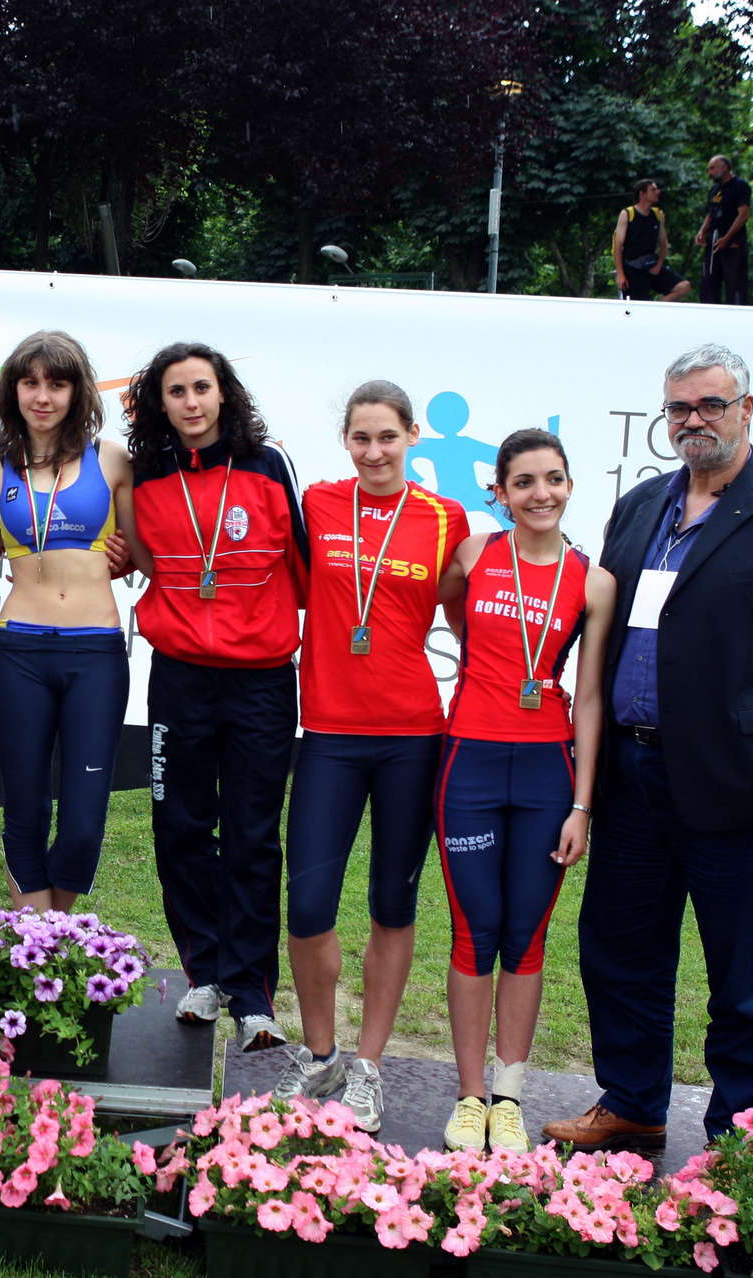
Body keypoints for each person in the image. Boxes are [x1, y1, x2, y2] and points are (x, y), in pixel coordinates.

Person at [543, 343, 753, 1151]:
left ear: (747, 409)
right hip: (632, 775)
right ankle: (632, 1104)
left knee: (745, 975)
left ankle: (737, 1139)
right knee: (620, 952)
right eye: (680, 407)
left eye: (711, 405)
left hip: (742, 784)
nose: (695, 420)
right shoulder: (640, 507)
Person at [279, 381, 467, 1127]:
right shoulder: (319, 504)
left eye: (388, 436)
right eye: (361, 437)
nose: (375, 451)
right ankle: (321, 1055)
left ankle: (368, 1066)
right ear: (346, 441)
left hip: (412, 735)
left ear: (412, 436)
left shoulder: (445, 518)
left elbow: (471, 614)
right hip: (329, 732)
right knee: (307, 907)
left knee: (393, 902)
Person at [432, 429, 616, 1154]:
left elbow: (591, 697)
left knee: (526, 936)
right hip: (470, 763)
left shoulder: (592, 581)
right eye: (525, 482)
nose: (542, 494)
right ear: (500, 493)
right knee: (473, 932)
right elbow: (453, 612)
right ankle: (469, 1095)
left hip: (547, 774)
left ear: (569, 485)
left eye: (554, 479)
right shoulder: (474, 554)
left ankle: (508, 1095)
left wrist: (582, 806)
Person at [125, 342, 306, 1055]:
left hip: (261, 679)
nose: (191, 402)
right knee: (180, 827)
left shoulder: (267, 465)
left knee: (254, 834)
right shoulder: (145, 472)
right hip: (179, 676)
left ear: (223, 393)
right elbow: (131, 552)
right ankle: (205, 974)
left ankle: (253, 993)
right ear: (160, 403)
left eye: (202, 387)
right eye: (176, 391)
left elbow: (304, 567)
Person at [0, 331, 137, 912]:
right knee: (25, 808)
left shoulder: (111, 460)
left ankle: (54, 933)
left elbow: (144, 551)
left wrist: (126, 557)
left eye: (57, 384)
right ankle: (35, 939)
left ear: (77, 391)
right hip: (20, 650)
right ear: (13, 390)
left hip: (95, 654)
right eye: (31, 382)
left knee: (84, 822)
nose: (43, 397)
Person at [612, 179, 691, 302]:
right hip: (632, 268)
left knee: (684, 287)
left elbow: (663, 243)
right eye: (653, 190)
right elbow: (618, 245)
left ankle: (658, 306)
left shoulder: (658, 214)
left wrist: (659, 264)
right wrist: (620, 274)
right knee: (638, 305)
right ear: (642, 194)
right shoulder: (627, 213)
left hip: (651, 265)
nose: (657, 192)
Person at [694, 155, 752, 306]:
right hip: (713, 243)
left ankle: (737, 314)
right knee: (708, 284)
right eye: (709, 169)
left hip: (733, 244)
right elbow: (710, 213)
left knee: (735, 285)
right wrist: (702, 231)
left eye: (712, 168)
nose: (710, 173)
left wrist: (727, 237)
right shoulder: (714, 190)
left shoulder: (740, 186)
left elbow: (743, 214)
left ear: (724, 167)